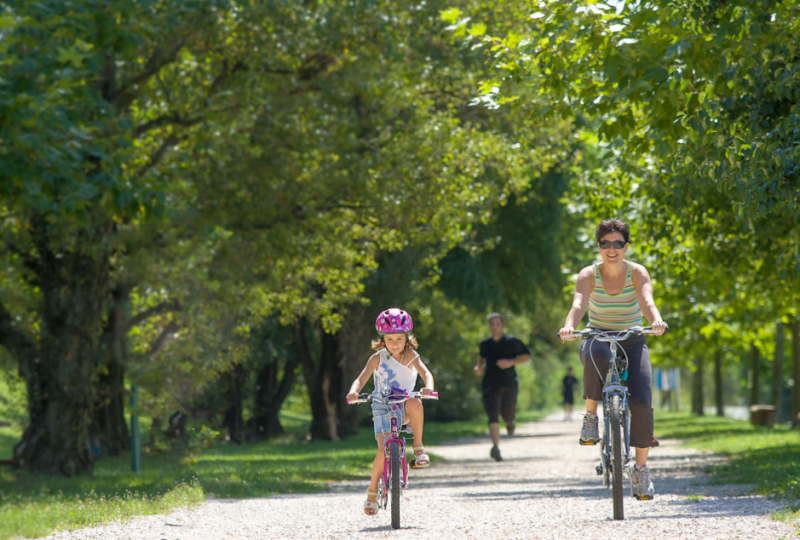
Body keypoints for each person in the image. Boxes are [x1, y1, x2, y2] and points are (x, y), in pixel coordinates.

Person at [558, 219, 668, 500]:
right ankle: (592, 417)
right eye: (605, 243)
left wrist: (655, 320)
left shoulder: (637, 272)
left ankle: (641, 471)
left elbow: (647, 301)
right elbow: (579, 304)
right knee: (596, 352)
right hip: (597, 335)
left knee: (642, 401)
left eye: (618, 243)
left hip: (632, 338)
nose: (612, 249)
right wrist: (570, 325)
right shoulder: (588, 274)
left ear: (626, 246)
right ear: (598, 247)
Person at [347, 308, 435, 516]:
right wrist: (354, 392)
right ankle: (371, 492)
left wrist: (428, 386)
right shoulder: (377, 358)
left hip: (403, 404)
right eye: (389, 339)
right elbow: (361, 378)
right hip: (381, 406)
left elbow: (426, 373)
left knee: (415, 402)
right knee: (382, 450)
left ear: (407, 339)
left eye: (399, 338)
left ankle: (419, 448)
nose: (394, 343)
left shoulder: (411, 355)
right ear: (382, 340)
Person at [474, 312, 530, 462]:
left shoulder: (511, 341)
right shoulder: (485, 344)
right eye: (492, 324)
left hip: (508, 383)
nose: (494, 327)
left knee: (507, 413)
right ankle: (495, 447)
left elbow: (526, 356)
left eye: (497, 324)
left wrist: (510, 362)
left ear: (502, 325)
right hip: (490, 383)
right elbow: (481, 358)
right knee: (492, 415)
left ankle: (510, 422)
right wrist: (478, 367)